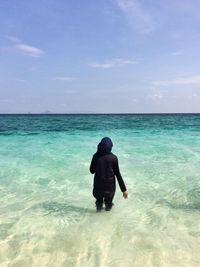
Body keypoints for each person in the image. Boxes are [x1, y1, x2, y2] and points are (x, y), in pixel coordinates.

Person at [90, 137, 128, 211]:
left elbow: (92, 171)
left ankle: (98, 216)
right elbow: (118, 174)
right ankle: (108, 219)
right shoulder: (114, 158)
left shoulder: (96, 156)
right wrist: (124, 190)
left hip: (98, 188)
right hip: (109, 189)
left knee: (99, 204)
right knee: (108, 206)